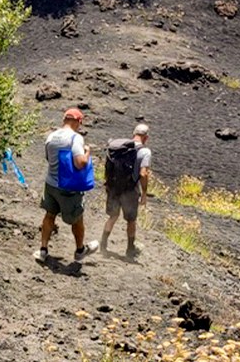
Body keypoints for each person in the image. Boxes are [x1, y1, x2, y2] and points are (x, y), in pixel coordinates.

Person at [34, 107, 96, 263]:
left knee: (49, 215)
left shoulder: (51, 136)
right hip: (68, 187)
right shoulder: (75, 138)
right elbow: (80, 163)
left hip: (50, 184)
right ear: (78, 122)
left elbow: (48, 159)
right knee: (77, 218)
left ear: (64, 120)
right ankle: (80, 250)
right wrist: (88, 152)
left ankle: (43, 250)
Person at [92, 122, 152, 257]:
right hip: (130, 190)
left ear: (133, 134)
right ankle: (130, 250)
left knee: (113, 216)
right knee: (131, 220)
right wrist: (144, 193)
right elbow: (143, 173)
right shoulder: (144, 152)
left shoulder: (119, 148)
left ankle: (103, 245)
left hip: (113, 187)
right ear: (146, 138)